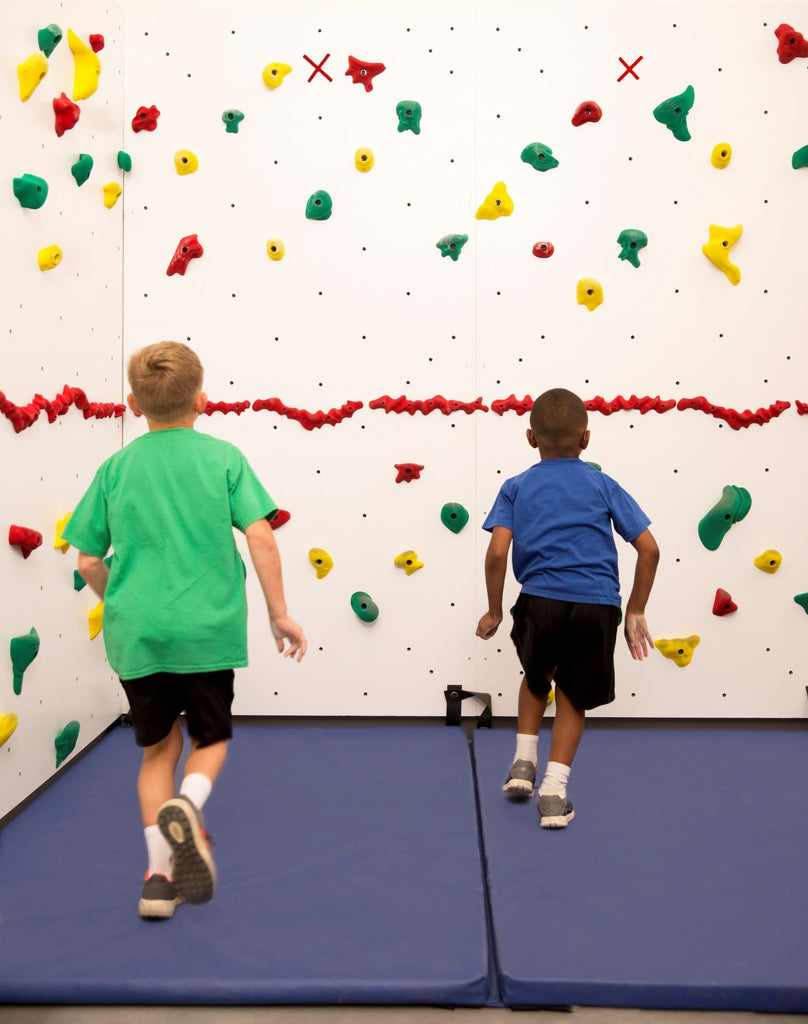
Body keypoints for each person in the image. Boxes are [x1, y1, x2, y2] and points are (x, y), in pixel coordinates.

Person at [63, 341, 306, 918]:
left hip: (139, 632)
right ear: (202, 399)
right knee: (210, 738)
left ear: (131, 403)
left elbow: (89, 561)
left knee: (157, 752)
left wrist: (116, 601)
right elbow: (262, 535)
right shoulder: (222, 457)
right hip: (206, 628)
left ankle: (157, 880)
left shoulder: (115, 468)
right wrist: (279, 612)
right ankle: (190, 808)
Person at [476, 388, 659, 828]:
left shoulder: (516, 486)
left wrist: (495, 610)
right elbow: (649, 550)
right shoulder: (602, 483)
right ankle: (554, 795)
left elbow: (498, 553)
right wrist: (635, 609)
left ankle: (523, 764)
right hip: (596, 606)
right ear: (586, 439)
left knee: (537, 679)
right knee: (574, 697)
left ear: (530, 438)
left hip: (540, 601)